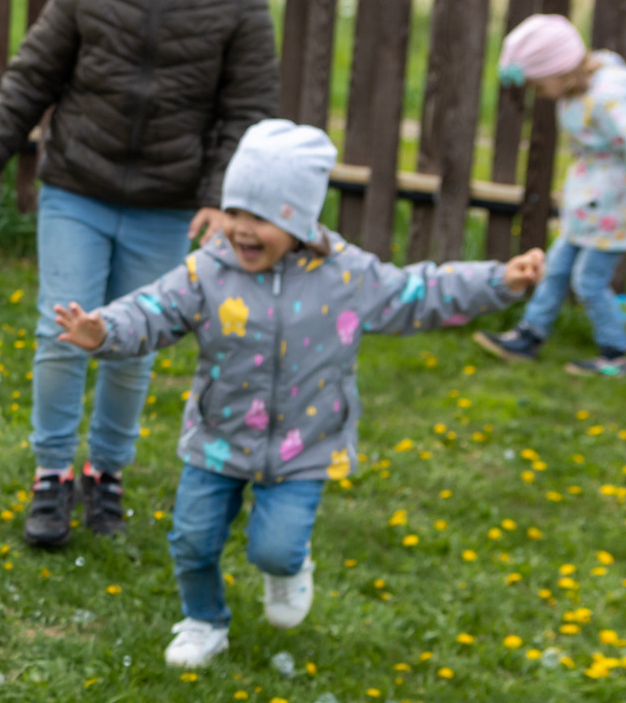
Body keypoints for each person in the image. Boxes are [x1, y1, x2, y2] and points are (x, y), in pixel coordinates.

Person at [52, 121, 544, 669]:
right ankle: (204, 621)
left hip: (304, 447)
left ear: (299, 221)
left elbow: (421, 292)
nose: (240, 229)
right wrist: (105, 332)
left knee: (275, 549)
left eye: (259, 218)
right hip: (218, 439)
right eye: (234, 211)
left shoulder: (347, 276)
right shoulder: (209, 271)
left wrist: (502, 281)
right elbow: (153, 310)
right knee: (192, 542)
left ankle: (288, 566)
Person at [0, 0, 279, 549]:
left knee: (131, 344)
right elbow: (33, 75)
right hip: (77, 188)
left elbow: (244, 113)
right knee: (64, 331)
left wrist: (219, 198)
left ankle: (106, 472)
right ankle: (52, 473)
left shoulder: (240, 1)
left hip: (167, 202)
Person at [473, 13, 626, 377]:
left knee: (589, 280)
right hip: (589, 204)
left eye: (537, 85)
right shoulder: (580, 90)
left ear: (560, 69)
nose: (537, 94)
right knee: (555, 269)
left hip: (617, 208)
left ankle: (618, 352)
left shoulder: (610, 98)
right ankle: (529, 335)